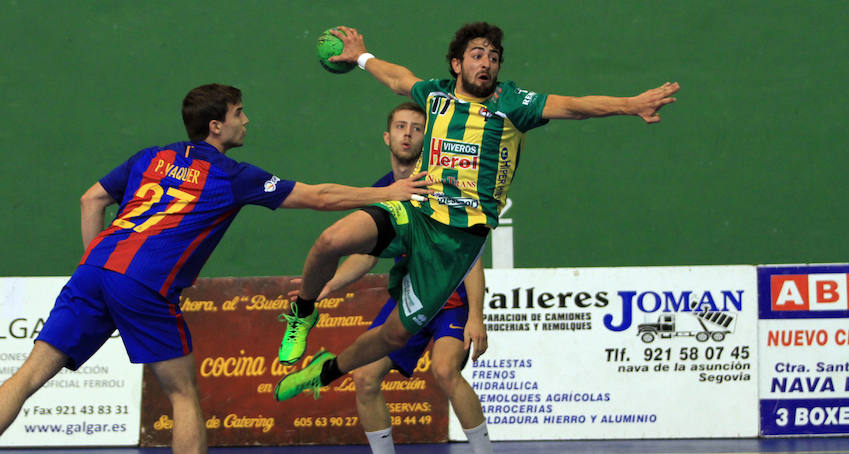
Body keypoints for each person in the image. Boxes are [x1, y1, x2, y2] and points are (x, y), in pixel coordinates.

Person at [0, 83, 429, 454]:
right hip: (145, 283)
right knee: (183, 395)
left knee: (29, 375)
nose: (247, 120)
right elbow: (318, 196)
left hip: (94, 270)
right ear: (216, 127)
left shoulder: (151, 156)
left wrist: (97, 267)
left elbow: (90, 200)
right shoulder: (229, 174)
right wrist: (387, 192)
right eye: (238, 113)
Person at [273, 22, 679, 404]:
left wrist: (631, 104)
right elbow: (398, 78)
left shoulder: (514, 104)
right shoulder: (435, 94)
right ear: (457, 64)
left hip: (457, 240)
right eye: (477, 54)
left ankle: (325, 372)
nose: (486, 63)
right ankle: (303, 313)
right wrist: (362, 57)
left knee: (395, 335)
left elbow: (574, 105)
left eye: (494, 57)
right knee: (331, 239)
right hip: (416, 208)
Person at [287, 102, 491, 454]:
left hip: (450, 302)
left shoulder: (442, 185)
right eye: (400, 126)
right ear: (387, 136)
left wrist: (477, 315)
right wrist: (330, 285)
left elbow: (470, 257)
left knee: (444, 370)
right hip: (408, 301)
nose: (408, 133)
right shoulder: (382, 191)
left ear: (428, 139)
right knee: (364, 378)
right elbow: (365, 256)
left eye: (416, 127)